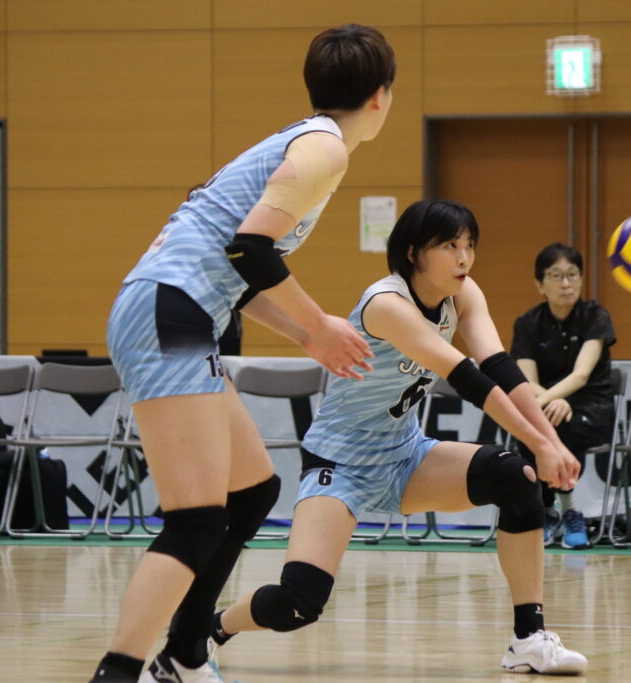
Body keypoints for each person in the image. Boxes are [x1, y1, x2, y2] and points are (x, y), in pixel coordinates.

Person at [91, 24, 394, 683]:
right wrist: (319, 324)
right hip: (169, 309)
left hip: (178, 309)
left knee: (253, 490)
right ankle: (118, 672)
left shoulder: (306, 142)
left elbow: (239, 267)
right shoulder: (324, 149)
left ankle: (185, 652)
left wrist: (305, 335)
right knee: (196, 518)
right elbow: (248, 249)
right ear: (381, 96)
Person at [205, 200, 588, 675]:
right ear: (413, 253)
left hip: (406, 455)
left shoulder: (463, 295)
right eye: (450, 246)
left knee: (517, 477)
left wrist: (549, 443)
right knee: (299, 601)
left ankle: (528, 639)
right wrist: (544, 443)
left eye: (470, 245)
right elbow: (467, 378)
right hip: (340, 464)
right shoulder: (386, 304)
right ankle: (211, 627)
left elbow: (499, 369)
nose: (464, 257)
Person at [510, 243, 616, 549]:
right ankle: (548, 511)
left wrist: (551, 403)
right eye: (556, 276)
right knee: (533, 428)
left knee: (556, 426)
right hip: (545, 405)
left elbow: (581, 375)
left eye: (572, 274)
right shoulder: (527, 324)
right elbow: (527, 381)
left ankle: (566, 511)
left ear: (581, 279)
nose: (566, 283)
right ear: (540, 284)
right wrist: (550, 401)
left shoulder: (596, 316)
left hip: (590, 405)